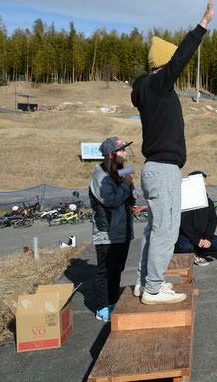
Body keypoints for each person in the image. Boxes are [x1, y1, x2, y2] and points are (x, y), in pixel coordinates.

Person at [131, 0, 213, 305]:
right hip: (163, 169)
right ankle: (153, 288)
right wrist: (202, 24)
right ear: (163, 65)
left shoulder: (146, 90)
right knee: (165, 231)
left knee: (154, 230)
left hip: (154, 167)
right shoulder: (158, 85)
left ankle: (143, 282)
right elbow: (181, 58)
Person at [89, 136, 137, 322]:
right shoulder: (100, 177)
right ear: (110, 155)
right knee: (105, 271)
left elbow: (131, 199)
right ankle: (102, 307)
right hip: (106, 233)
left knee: (117, 269)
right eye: (121, 150)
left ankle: (112, 302)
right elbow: (110, 200)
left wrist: (129, 186)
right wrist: (125, 185)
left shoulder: (120, 173)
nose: (125, 153)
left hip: (122, 231)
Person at [174, 170, 217, 268]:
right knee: (186, 246)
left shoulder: (208, 201)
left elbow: (212, 221)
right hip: (185, 236)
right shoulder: (184, 202)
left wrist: (207, 239)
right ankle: (190, 253)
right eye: (203, 182)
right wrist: (197, 240)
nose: (206, 185)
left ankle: (198, 252)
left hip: (201, 236)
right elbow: (184, 224)